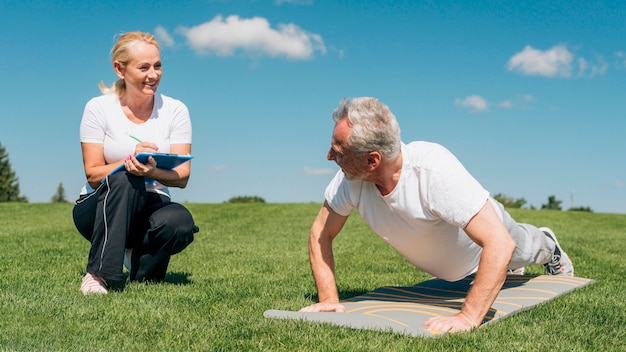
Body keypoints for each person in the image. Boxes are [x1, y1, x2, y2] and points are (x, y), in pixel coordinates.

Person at [299, 97, 574, 333]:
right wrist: (328, 299)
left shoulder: (432, 171)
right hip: (455, 264)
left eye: (338, 152)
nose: (328, 157)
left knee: (525, 247)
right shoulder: (349, 180)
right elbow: (320, 234)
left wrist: (468, 317)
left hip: (486, 245)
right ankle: (511, 267)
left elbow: (500, 243)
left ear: (372, 160)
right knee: (505, 254)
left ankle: (551, 248)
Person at [72, 31, 199, 295]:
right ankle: (98, 274)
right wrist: (129, 159)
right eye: (144, 67)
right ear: (120, 69)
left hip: (150, 203)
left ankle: (142, 276)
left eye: (157, 66)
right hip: (98, 207)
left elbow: (183, 175)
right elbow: (94, 174)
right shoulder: (99, 108)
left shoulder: (176, 110)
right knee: (125, 177)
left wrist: (152, 171)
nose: (153, 75)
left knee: (180, 221)